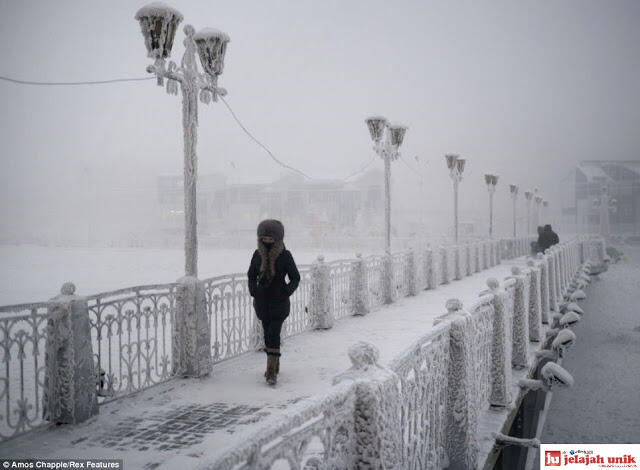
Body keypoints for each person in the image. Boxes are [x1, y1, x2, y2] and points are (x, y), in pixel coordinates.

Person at [247, 219, 300, 386]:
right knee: (266, 334)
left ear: (278, 238)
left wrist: (285, 291)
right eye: (264, 238)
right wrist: (253, 290)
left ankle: (271, 372)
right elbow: (251, 275)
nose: (267, 241)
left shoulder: (285, 255)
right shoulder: (257, 255)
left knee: (273, 334)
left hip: (279, 303)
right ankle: (275, 364)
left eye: (270, 238)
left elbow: (295, 278)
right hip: (262, 303)